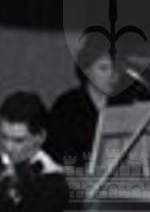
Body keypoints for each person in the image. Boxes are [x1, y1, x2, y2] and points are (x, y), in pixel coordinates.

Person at [46, 39, 132, 169]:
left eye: (117, 68)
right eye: (104, 68)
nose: (113, 75)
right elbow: (56, 154)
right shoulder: (67, 106)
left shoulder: (125, 103)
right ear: (86, 70)